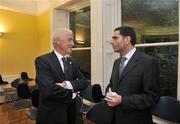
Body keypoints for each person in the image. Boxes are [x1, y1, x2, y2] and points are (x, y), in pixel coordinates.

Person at [104, 26, 160, 124]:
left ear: (127, 40)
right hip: (114, 118)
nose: (112, 42)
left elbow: (152, 97)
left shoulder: (148, 62)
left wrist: (123, 100)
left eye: (115, 38)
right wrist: (108, 92)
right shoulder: (117, 62)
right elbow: (112, 84)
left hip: (136, 120)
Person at [35, 28, 88, 124]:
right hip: (51, 115)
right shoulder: (42, 61)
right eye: (70, 39)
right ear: (58, 41)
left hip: (71, 113)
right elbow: (48, 90)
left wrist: (66, 84)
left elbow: (84, 82)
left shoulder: (72, 61)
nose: (73, 44)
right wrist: (73, 94)